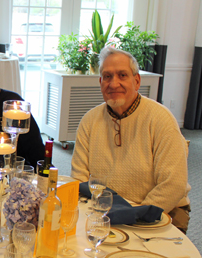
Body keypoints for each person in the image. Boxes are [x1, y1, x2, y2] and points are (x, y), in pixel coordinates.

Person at [71, 46, 191, 233]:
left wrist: (132, 216)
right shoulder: (89, 121)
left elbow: (173, 185)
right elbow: (79, 179)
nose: (113, 83)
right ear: (100, 81)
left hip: (159, 209)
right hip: (105, 209)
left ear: (137, 81)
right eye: (107, 76)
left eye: (122, 75)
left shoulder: (160, 119)